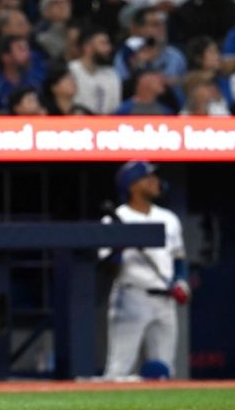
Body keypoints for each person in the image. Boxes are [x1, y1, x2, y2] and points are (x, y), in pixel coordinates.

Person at [100, 161, 190, 380]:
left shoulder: (169, 218)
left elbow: (178, 257)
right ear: (133, 186)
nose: (155, 181)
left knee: (164, 371)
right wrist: (118, 248)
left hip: (165, 297)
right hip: (132, 295)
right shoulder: (115, 219)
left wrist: (181, 281)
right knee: (119, 371)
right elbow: (106, 268)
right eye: (148, 178)